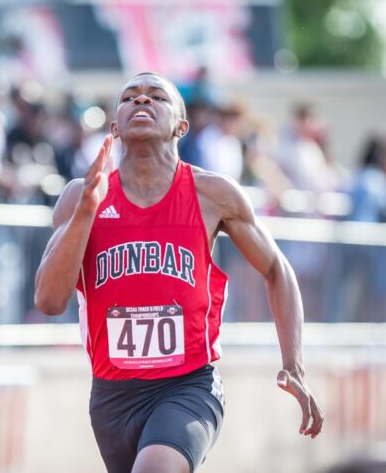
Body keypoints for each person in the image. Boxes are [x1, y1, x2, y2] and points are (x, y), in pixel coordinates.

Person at [35, 72, 323, 473]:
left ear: (181, 125)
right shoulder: (81, 197)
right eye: (130, 97)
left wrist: (294, 364)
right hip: (111, 396)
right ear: (115, 125)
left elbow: (276, 268)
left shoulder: (213, 195)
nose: (141, 101)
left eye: (156, 96)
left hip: (188, 385)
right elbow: (49, 301)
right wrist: (86, 211)